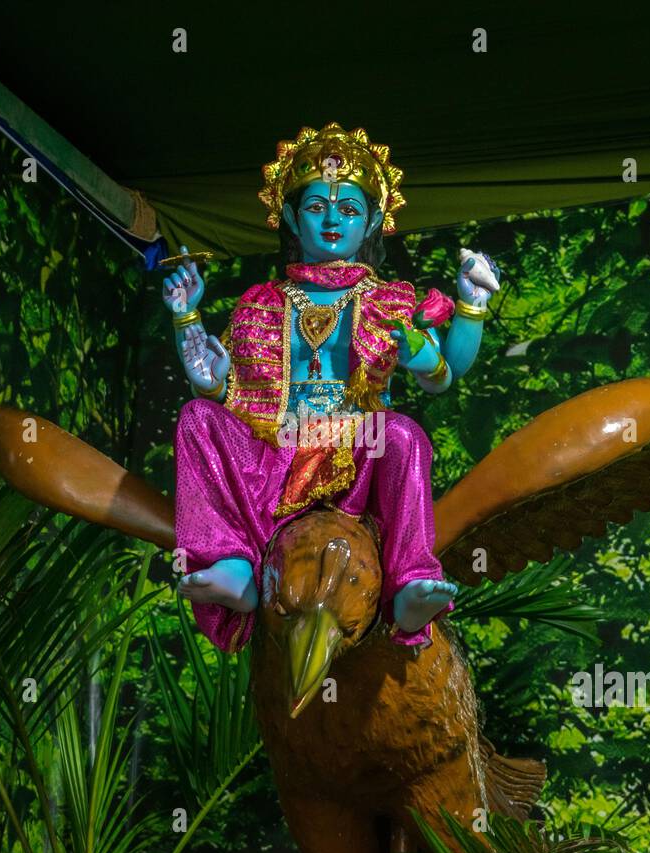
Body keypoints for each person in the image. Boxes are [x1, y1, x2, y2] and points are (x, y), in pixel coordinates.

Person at [164, 123, 497, 652]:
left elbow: (444, 376)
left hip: (357, 455)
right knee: (196, 420)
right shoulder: (261, 302)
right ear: (293, 217)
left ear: (371, 221)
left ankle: (409, 582)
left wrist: (471, 306)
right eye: (317, 207)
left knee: (405, 435)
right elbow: (229, 395)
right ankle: (231, 564)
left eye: (348, 210)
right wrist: (196, 347)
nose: (333, 220)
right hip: (274, 456)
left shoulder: (390, 299)